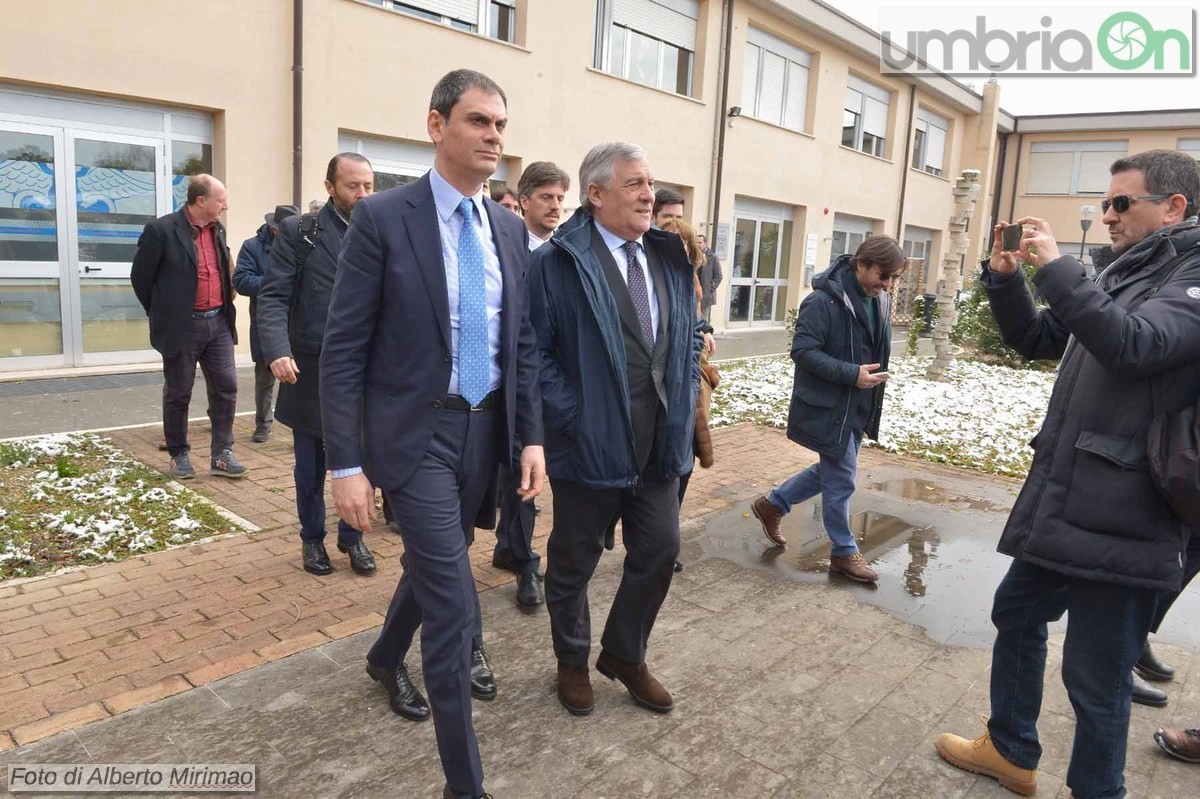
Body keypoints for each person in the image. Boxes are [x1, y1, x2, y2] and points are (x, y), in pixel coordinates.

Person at [935, 149, 1200, 799]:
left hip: (1130, 509)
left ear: (1174, 207)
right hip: (1071, 495)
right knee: (1017, 609)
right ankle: (1011, 748)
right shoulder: (1126, 272)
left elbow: (1136, 345)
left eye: (1120, 203)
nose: (1107, 216)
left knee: (1097, 675)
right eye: (1105, 203)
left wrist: (1058, 267)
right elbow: (1038, 338)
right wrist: (1005, 280)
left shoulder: (1192, 277)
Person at [320, 70, 544, 799]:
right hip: (417, 440)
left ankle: (385, 654)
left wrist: (531, 438)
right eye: (479, 121)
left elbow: (524, 344)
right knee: (454, 602)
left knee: (436, 565)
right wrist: (346, 463)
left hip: (487, 435)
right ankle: (464, 785)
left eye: (501, 126)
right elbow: (344, 348)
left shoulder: (509, 227)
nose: (494, 137)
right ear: (435, 124)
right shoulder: (384, 217)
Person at [529, 141, 701, 718]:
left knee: (659, 550)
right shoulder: (557, 262)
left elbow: (683, 325)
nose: (649, 195)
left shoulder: (668, 255)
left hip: (659, 443)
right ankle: (572, 661)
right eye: (634, 184)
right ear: (596, 193)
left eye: (650, 183)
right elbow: (535, 353)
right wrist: (573, 415)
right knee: (574, 561)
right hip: (589, 444)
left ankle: (625, 656)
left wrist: (693, 348)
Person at [750, 235, 904, 583]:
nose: (888, 285)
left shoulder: (877, 299)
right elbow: (803, 351)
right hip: (830, 406)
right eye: (884, 275)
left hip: (860, 403)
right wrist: (852, 375)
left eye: (894, 279)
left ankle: (773, 504)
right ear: (861, 264)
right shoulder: (820, 302)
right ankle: (843, 552)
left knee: (833, 471)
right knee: (842, 478)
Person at [257, 153, 377, 577]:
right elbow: (273, 296)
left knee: (359, 460)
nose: (363, 195)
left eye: (368, 186)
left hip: (366, 373)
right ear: (330, 187)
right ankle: (312, 539)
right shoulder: (300, 232)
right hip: (309, 369)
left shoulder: (382, 229)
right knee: (310, 466)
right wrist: (277, 349)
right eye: (352, 186)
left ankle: (353, 537)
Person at [487, 160, 571, 608]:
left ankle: (508, 546)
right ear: (523, 201)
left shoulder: (566, 253)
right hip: (512, 382)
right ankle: (524, 563)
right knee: (521, 475)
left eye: (560, 198)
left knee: (526, 473)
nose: (555, 206)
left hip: (552, 384)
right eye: (546, 197)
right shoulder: (506, 246)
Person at [130, 174, 247, 481]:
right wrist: (162, 314)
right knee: (179, 393)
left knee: (226, 388)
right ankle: (179, 454)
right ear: (200, 201)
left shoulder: (217, 230)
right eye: (221, 200)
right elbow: (141, 278)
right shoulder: (161, 230)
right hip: (183, 327)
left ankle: (222, 454)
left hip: (218, 322)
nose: (225, 206)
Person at [660, 217, 718, 506]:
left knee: (688, 451)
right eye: (669, 237)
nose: (677, 245)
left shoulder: (689, 278)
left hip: (692, 380)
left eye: (683, 240)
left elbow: (693, 321)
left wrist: (703, 331)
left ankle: (671, 516)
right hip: (667, 381)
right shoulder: (654, 277)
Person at [233, 204, 298, 443]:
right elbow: (240, 280)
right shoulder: (252, 246)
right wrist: (277, 283)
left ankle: (301, 428)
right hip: (267, 322)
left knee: (301, 379)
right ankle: (263, 423)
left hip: (299, 324)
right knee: (265, 378)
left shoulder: (305, 244)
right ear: (272, 228)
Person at [695, 231, 724, 323]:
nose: (697, 245)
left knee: (704, 319)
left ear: (706, 244)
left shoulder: (713, 257)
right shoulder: (693, 255)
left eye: (700, 242)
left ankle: (705, 336)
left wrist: (710, 288)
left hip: (706, 294)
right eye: (696, 242)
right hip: (694, 292)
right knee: (694, 317)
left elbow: (718, 276)